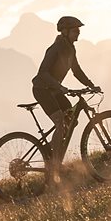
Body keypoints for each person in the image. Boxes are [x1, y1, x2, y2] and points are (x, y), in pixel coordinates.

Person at [32, 16, 99, 184]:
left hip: (54, 90)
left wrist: (91, 85)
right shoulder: (55, 49)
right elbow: (43, 73)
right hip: (42, 90)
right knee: (61, 121)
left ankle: (51, 150)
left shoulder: (70, 49)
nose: (78, 33)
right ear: (66, 31)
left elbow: (76, 71)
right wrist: (60, 87)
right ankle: (54, 164)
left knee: (72, 121)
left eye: (79, 30)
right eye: (76, 30)